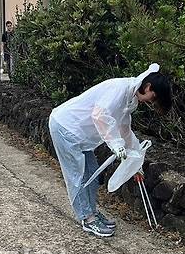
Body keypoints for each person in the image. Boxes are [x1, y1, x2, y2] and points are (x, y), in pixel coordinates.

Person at [48, 64, 172, 237]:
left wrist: (135, 164)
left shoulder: (130, 99)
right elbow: (100, 115)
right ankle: (87, 218)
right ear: (149, 87)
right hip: (65, 127)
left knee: (91, 173)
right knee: (78, 176)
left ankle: (91, 212)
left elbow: (124, 130)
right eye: (154, 98)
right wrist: (115, 144)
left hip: (79, 134)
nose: (152, 103)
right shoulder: (119, 89)